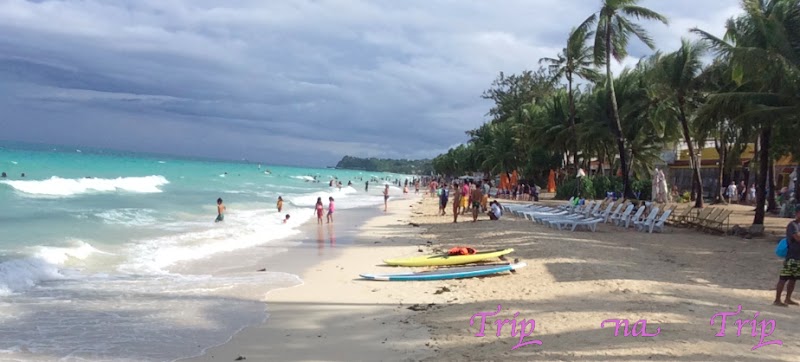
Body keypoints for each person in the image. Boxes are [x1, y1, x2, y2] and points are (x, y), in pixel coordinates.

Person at [775, 206, 800, 306]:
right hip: (792, 256)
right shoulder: (792, 225)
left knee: (793, 279)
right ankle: (777, 300)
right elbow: (797, 238)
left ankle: (788, 298)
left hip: (798, 256)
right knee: (783, 278)